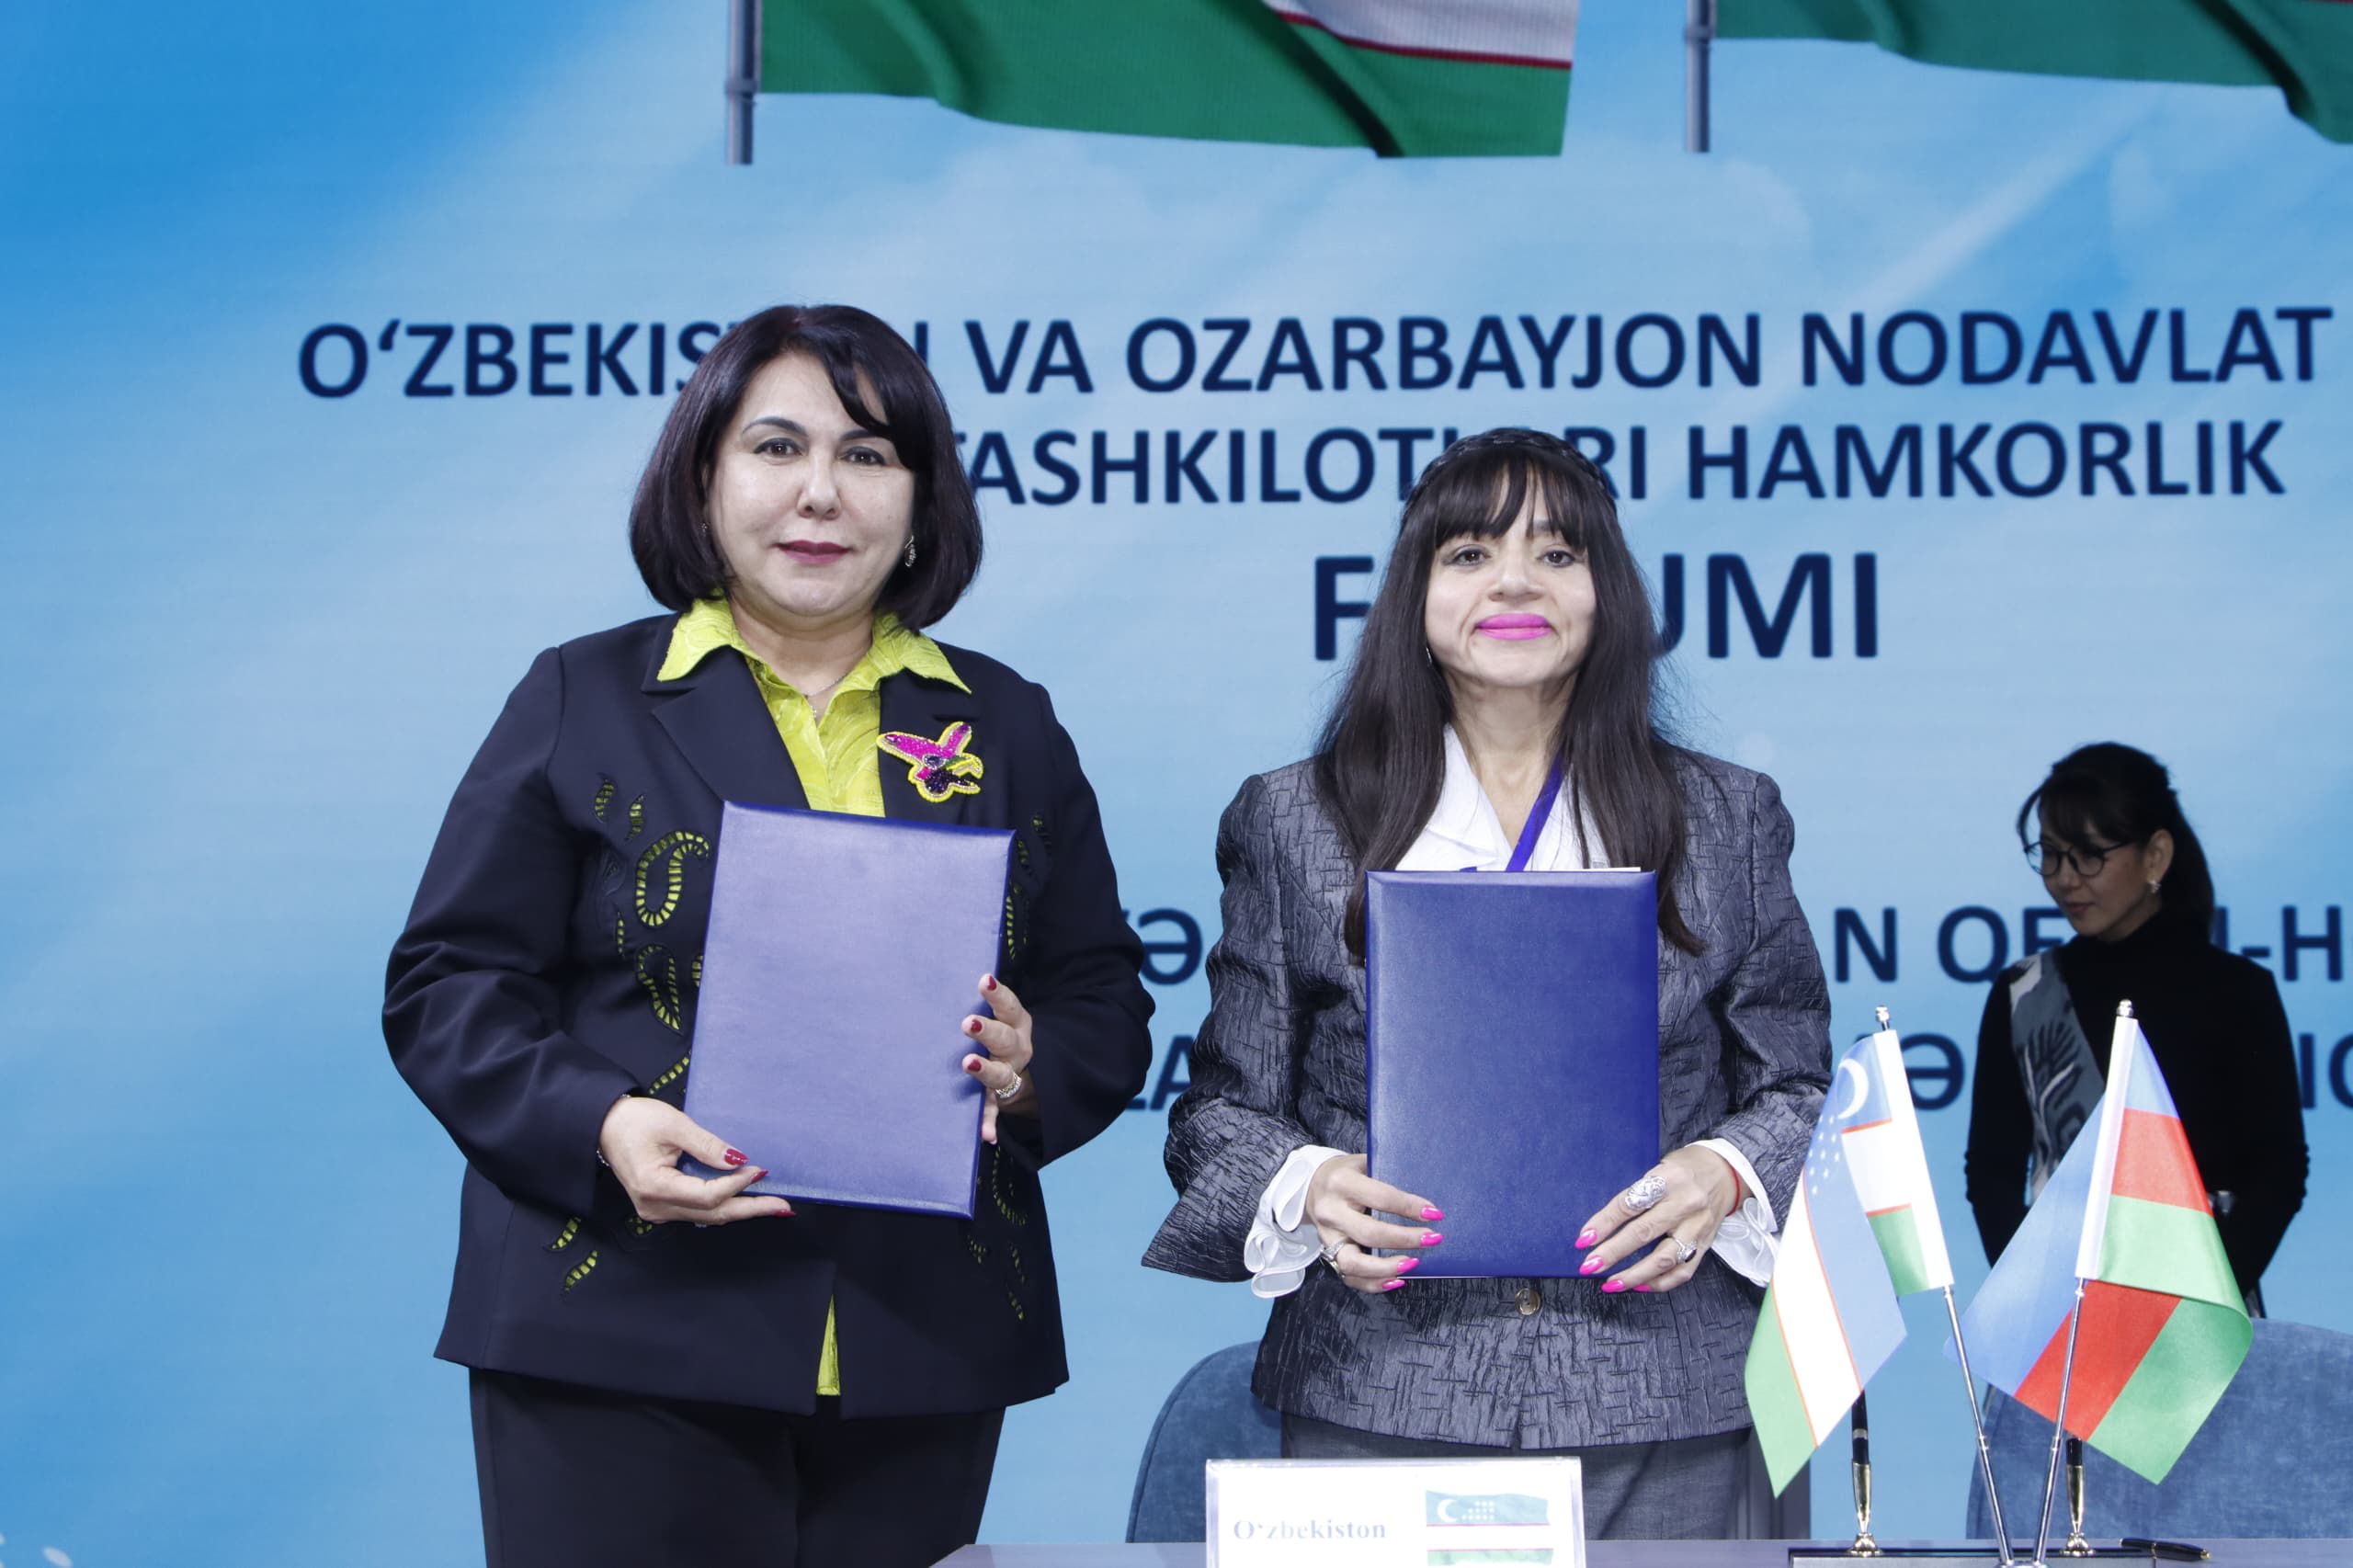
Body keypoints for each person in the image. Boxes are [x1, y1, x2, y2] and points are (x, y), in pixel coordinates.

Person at [383, 303, 1154, 1568]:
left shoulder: (1005, 720)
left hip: (920, 1345)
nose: (820, 493)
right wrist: (601, 1122)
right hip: (621, 1326)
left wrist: (1030, 1070)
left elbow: (1100, 993)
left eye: (867, 454)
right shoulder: (585, 694)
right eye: (776, 446)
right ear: (704, 478)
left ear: (922, 497)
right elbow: (449, 981)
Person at [1142, 428, 1829, 1539]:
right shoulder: (1294, 817)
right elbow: (1219, 1113)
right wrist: (1310, 1184)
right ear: (1413, 594)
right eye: (1469, 553)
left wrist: (1725, 1172)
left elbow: (1799, 1091)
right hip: (1380, 1386)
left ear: (1607, 592)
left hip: (1670, 1392)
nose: (1514, 580)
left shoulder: (1724, 815)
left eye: (1557, 553)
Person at [1965, 742, 2304, 1308]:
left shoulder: (2237, 990)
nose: (2064, 879)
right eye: (2050, 855)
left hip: (2204, 1318)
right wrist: (2035, 1299)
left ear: (2156, 856)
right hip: (2061, 1317)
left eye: (2088, 855)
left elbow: (2279, 1171)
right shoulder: (2023, 993)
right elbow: (1991, 1172)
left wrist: (2203, 1299)